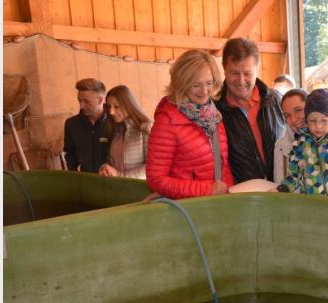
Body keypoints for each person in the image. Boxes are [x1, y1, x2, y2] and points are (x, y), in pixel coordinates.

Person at [145, 49, 234, 199]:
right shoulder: (167, 121)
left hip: (218, 203)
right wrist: (207, 190)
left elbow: (222, 167)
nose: (204, 91)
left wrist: (228, 194)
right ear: (182, 84)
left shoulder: (214, 115)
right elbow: (156, 179)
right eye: (196, 84)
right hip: (189, 207)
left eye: (209, 83)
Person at [217, 38, 286, 183]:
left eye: (247, 73)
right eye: (234, 73)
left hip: (281, 189)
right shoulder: (215, 111)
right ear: (224, 68)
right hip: (240, 193)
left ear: (257, 69)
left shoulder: (277, 101)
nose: (241, 81)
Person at [275, 89, 328, 199]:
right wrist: (281, 189)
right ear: (307, 119)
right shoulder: (300, 143)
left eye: (324, 120)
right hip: (310, 203)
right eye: (312, 121)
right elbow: (294, 175)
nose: (318, 126)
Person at [99, 85, 151, 179]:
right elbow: (111, 162)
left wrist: (120, 176)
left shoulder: (146, 128)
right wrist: (105, 168)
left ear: (128, 105)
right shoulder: (114, 129)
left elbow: (152, 167)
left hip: (139, 187)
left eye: (116, 107)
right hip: (117, 186)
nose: (111, 112)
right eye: (109, 107)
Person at [63, 78, 111, 173]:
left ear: (100, 100)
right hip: (85, 179)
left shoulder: (115, 122)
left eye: (86, 101)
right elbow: (70, 153)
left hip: (112, 179)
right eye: (79, 100)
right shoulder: (71, 124)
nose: (81, 106)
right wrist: (74, 175)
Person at [273, 88, 308, 183]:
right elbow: (279, 185)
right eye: (287, 115)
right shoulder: (280, 147)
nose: (293, 120)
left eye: (298, 110)